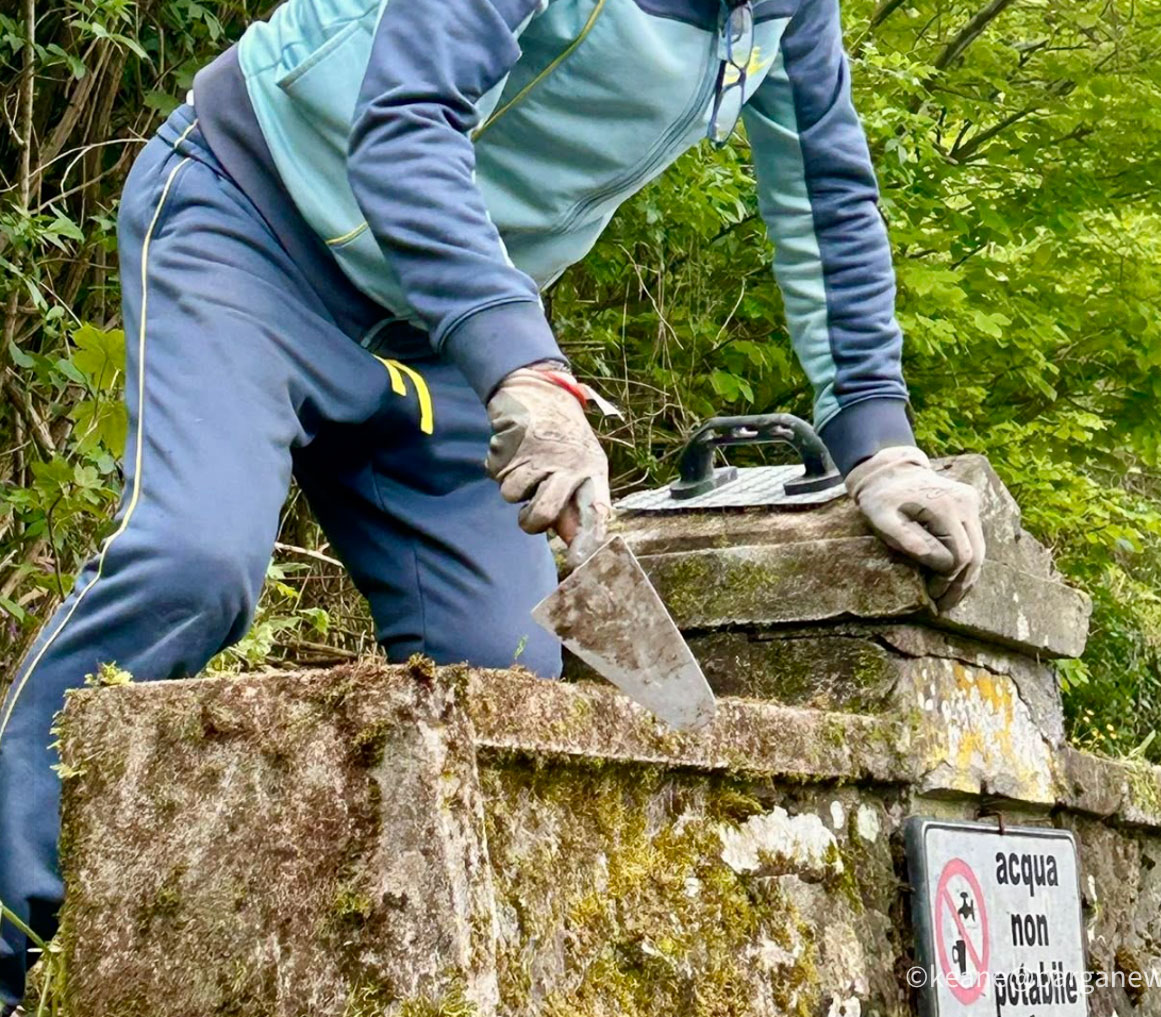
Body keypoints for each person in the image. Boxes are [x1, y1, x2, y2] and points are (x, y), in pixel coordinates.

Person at [0, 0, 985, 1006]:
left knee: (502, 670)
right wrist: (522, 365)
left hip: (437, 332)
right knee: (191, 564)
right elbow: (405, 121)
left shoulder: (787, 14)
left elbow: (827, 193)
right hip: (256, 219)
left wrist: (879, 443)